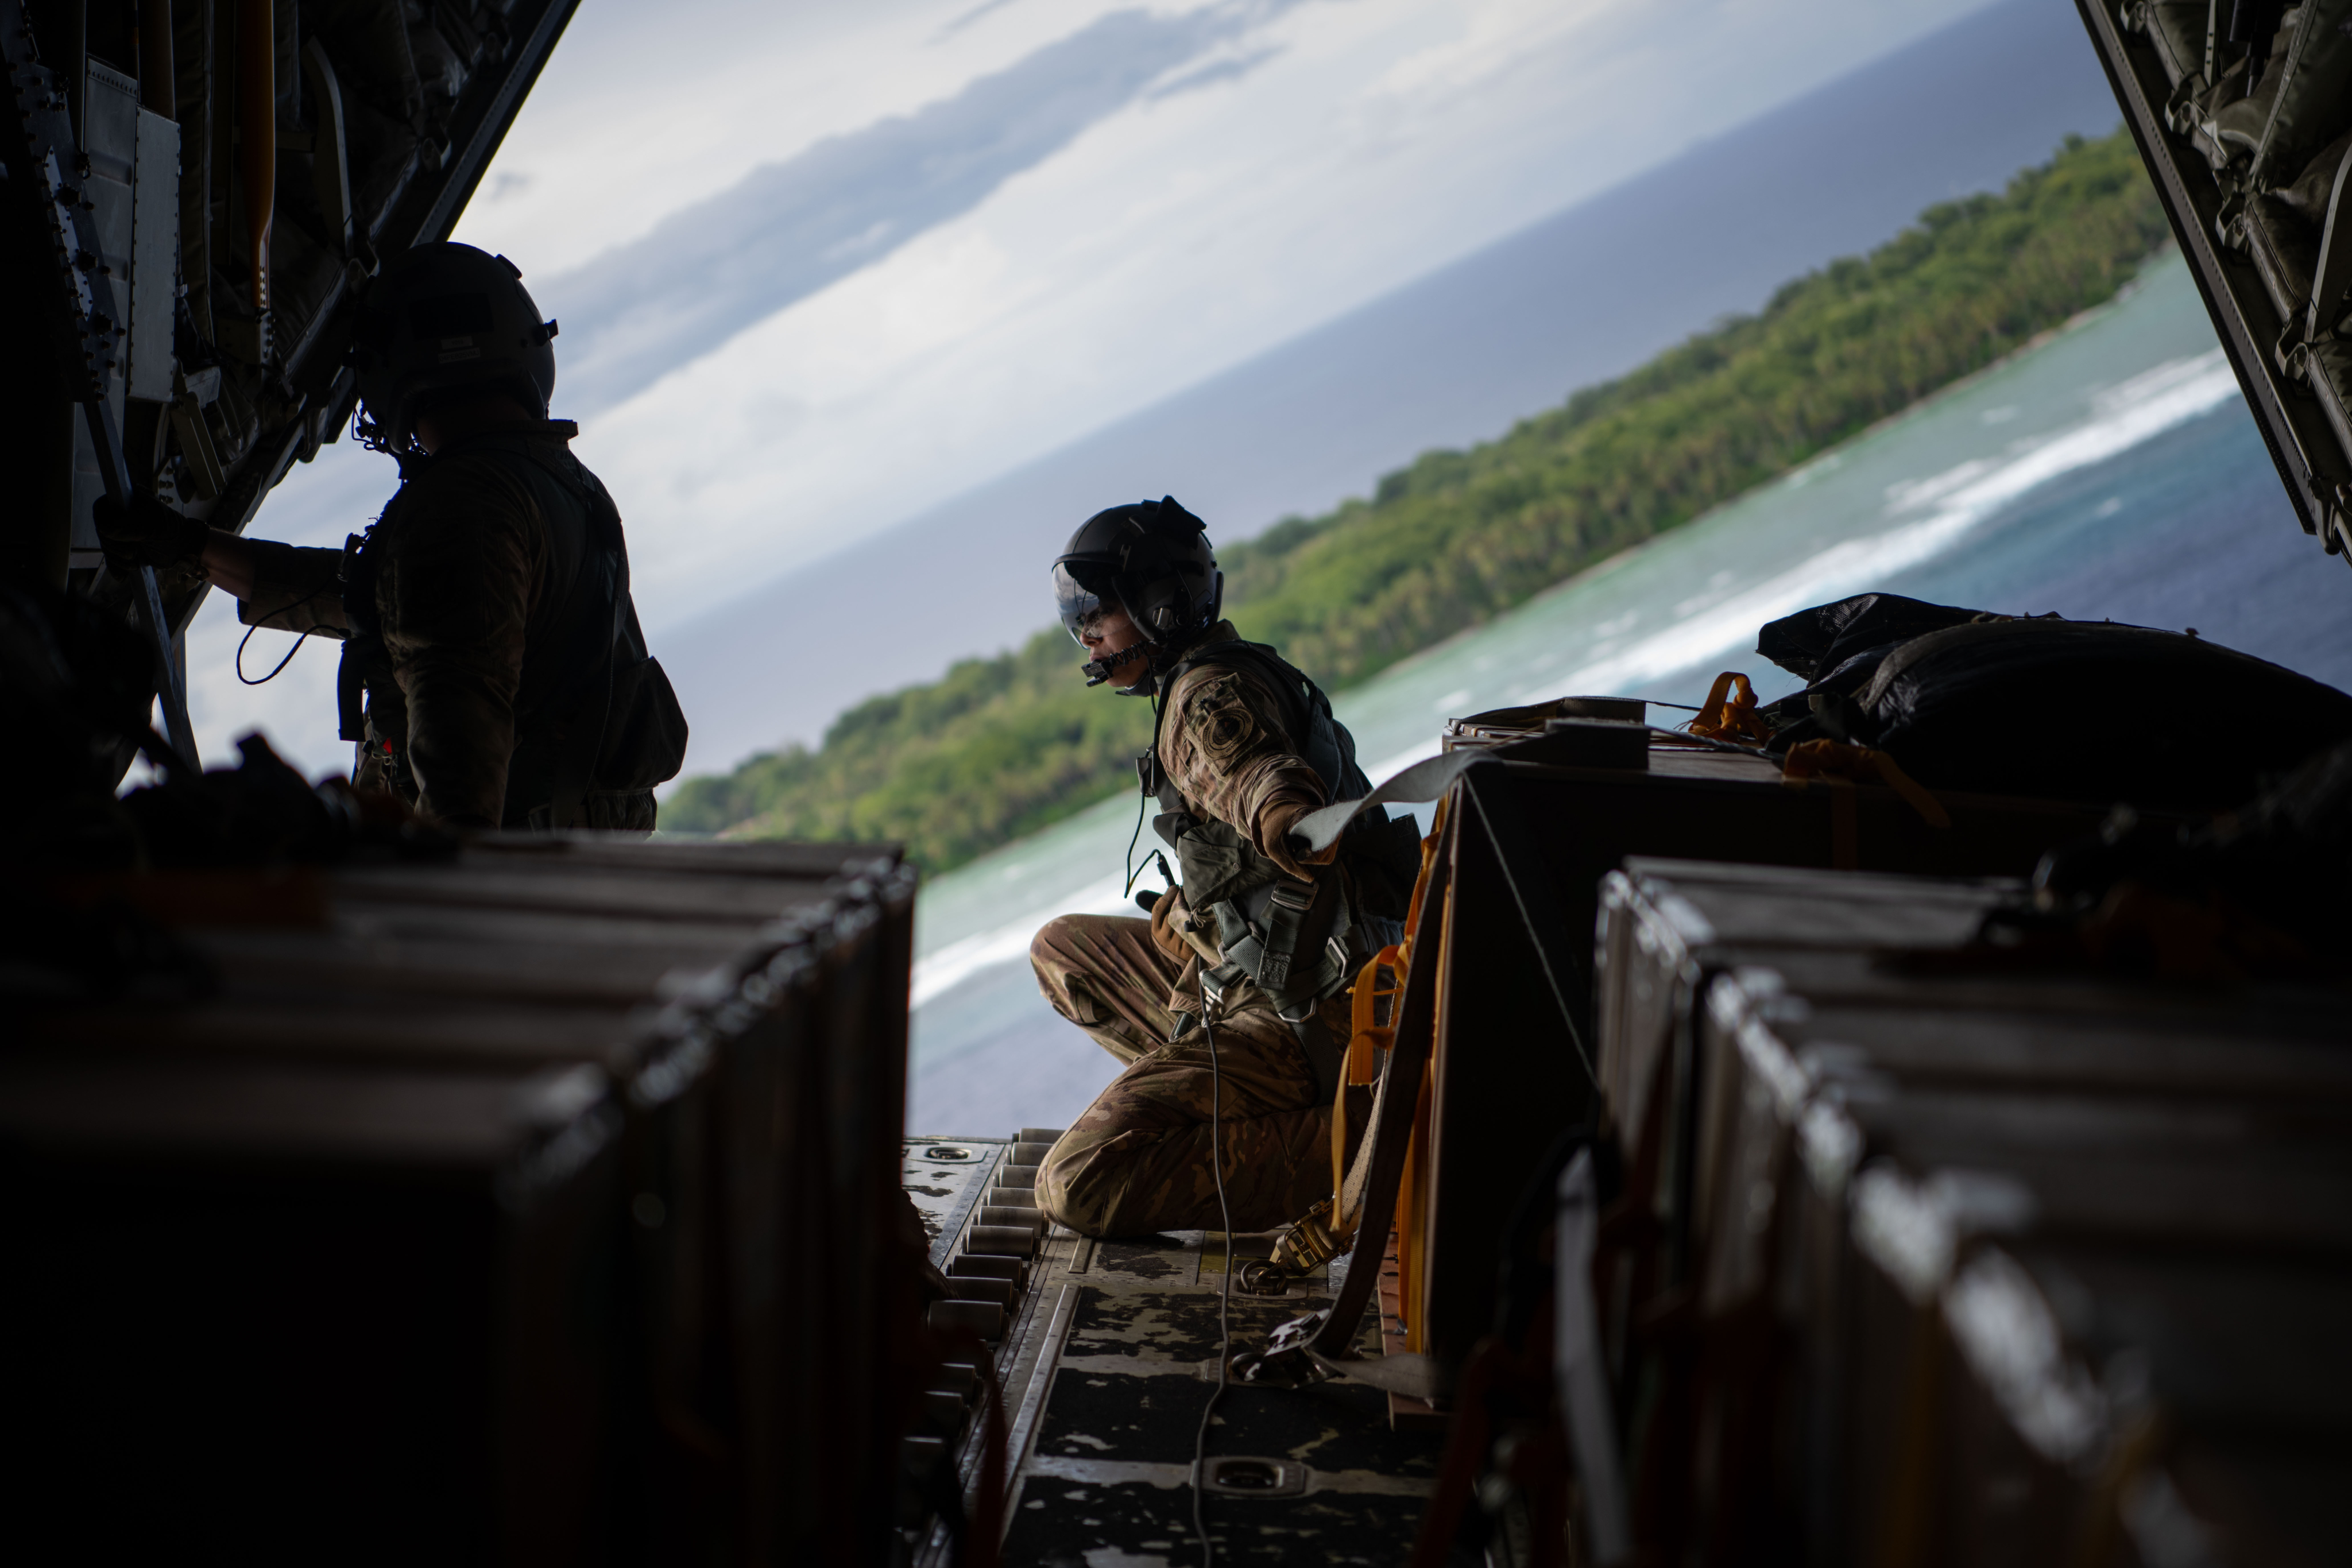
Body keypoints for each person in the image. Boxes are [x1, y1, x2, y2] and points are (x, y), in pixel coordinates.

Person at [95, 243, 686, 831]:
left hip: (517, 870)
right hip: (573, 853)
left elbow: (460, 722)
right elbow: (393, 600)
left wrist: (452, 868)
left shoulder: (464, 503)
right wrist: (192, 547)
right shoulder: (553, 479)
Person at [1030, 497, 1422, 1238]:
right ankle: (1252, 1102)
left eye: (1097, 617)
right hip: (1264, 970)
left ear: (1159, 607)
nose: (1086, 639)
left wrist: (1285, 819)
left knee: (1077, 1182)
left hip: (1308, 1009)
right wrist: (1197, 913)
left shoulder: (1206, 696)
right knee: (1061, 950)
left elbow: (1258, 779)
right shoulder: (1221, 676)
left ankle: (1368, 1140)